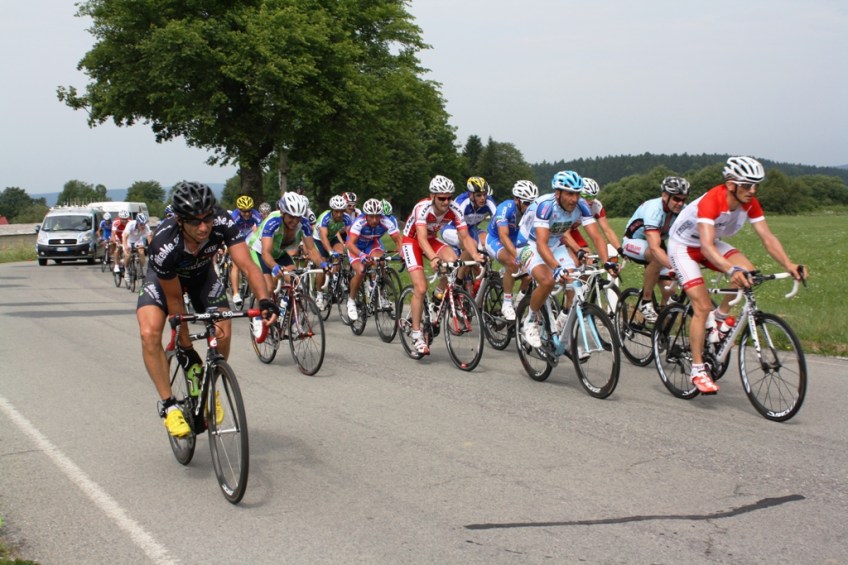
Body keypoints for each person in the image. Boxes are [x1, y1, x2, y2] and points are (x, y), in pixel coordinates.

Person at [137, 182, 278, 437]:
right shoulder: (164, 244)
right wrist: (186, 347)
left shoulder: (222, 222)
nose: (203, 227)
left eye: (207, 219)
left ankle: (209, 384)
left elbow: (247, 265)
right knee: (149, 333)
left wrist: (265, 301)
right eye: (195, 222)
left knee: (223, 328)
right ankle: (169, 406)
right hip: (164, 282)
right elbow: (175, 303)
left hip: (202, 277)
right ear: (180, 220)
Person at [667, 156, 806, 394]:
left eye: (756, 185)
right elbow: (707, 247)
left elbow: (767, 237)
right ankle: (698, 370)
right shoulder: (712, 200)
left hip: (711, 244)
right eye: (747, 185)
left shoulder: (750, 203)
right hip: (684, 247)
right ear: (731, 184)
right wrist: (731, 270)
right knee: (701, 307)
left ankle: (720, 318)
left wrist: (789, 264)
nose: (753, 191)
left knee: (748, 271)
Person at [516, 171, 617, 349]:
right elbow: (541, 244)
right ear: (558, 193)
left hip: (555, 243)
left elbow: (597, 237)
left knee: (574, 281)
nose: (574, 199)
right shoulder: (545, 206)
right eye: (570, 194)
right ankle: (530, 321)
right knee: (547, 281)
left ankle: (562, 319)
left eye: (577, 193)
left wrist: (607, 261)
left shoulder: (582, 205)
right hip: (529, 244)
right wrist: (556, 267)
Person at [401, 175, 485, 355]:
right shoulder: (422, 208)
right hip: (412, 241)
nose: (446, 202)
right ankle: (416, 334)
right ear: (432, 196)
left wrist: (475, 255)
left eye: (449, 198)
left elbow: (464, 236)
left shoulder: (454, 208)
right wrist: (433, 258)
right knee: (420, 288)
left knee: (453, 263)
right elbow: (421, 238)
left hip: (431, 239)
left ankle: (438, 296)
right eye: (442, 198)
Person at [621, 176, 690, 323]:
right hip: (633, 241)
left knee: (669, 291)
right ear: (665, 195)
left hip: (657, 243)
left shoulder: (684, 210)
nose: (680, 203)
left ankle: (661, 328)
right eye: (676, 199)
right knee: (656, 257)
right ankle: (645, 302)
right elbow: (654, 247)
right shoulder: (654, 209)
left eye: (683, 200)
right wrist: (675, 267)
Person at [247, 192, 326, 297]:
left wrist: (323, 264)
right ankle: (261, 307)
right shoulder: (272, 222)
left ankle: (289, 305)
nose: (295, 221)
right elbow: (265, 253)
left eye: (298, 217)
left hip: (280, 253)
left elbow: (311, 250)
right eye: (291, 217)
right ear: (283, 213)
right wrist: (274, 266)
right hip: (259, 252)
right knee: (268, 289)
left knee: (296, 282)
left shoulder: (304, 223)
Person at [485, 180, 539, 321]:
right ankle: (507, 303)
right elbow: (503, 236)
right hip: (495, 239)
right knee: (512, 261)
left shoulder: (534, 211)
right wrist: (518, 257)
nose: (530, 207)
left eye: (533, 203)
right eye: (527, 203)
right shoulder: (506, 208)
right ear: (516, 200)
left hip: (516, 241)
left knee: (529, 274)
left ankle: (519, 302)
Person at [344, 198, 402, 321]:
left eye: (377, 216)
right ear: (366, 215)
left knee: (381, 261)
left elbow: (398, 240)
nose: (375, 220)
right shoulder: (359, 222)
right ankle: (351, 300)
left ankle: (381, 293)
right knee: (361, 271)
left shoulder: (386, 221)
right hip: (355, 247)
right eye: (371, 216)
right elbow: (350, 244)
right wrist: (361, 255)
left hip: (371, 244)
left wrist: (403, 253)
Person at [564, 178, 622, 263]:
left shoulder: (596, 206)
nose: (591, 201)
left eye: (593, 197)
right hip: (557, 233)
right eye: (587, 197)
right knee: (574, 262)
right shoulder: (569, 206)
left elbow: (607, 230)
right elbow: (564, 234)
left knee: (589, 260)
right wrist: (578, 250)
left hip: (572, 231)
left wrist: (620, 249)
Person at [315, 195, 354, 309]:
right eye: (336, 211)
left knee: (340, 254)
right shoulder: (325, 218)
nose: (339, 214)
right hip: (319, 239)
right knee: (323, 264)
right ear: (332, 210)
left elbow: (351, 235)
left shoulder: (346, 218)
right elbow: (324, 237)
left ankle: (335, 278)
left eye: (341, 211)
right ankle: (319, 295)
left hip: (332, 238)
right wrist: (330, 252)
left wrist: (350, 248)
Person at [229, 195, 262, 308]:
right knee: (236, 264)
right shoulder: (234, 216)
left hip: (249, 236)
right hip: (236, 236)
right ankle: (235, 293)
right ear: (239, 210)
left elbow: (260, 232)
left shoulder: (256, 215)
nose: (247, 214)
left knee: (252, 263)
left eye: (249, 211)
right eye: (244, 211)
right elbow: (229, 234)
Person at [121, 212, 153, 282]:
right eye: (141, 224)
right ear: (137, 223)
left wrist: (151, 248)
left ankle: (142, 269)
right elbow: (125, 237)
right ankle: (126, 270)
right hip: (128, 240)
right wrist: (126, 246)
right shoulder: (130, 224)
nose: (143, 226)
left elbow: (149, 239)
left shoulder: (146, 227)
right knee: (128, 255)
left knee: (141, 252)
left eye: (144, 224)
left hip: (138, 240)